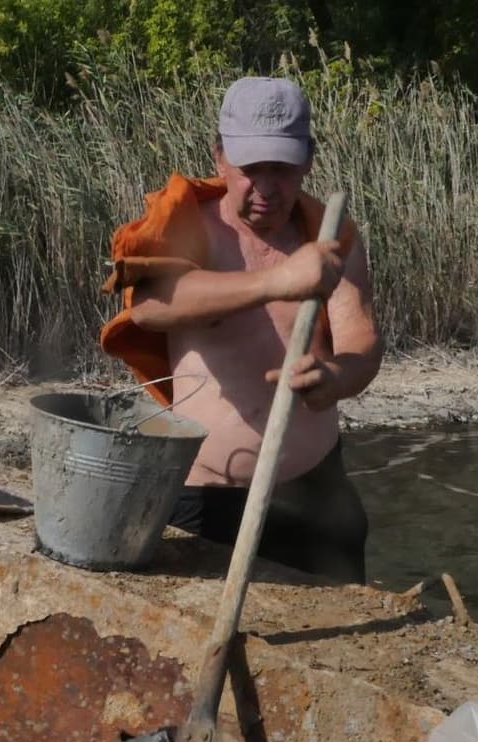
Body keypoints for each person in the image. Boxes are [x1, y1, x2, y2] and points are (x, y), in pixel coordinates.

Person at [97, 76, 381, 582]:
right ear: (220, 158)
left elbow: (362, 342)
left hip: (317, 493)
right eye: (251, 169)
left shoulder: (330, 237)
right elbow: (150, 306)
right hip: (207, 500)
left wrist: (338, 377)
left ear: (308, 160)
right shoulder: (190, 225)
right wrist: (277, 280)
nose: (266, 189)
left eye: (282, 169)